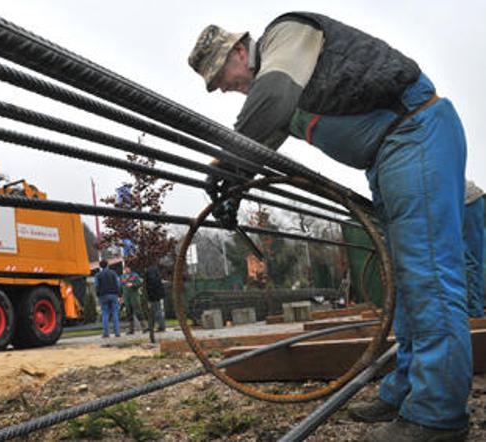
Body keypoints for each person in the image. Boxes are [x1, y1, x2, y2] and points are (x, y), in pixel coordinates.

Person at [188, 12, 470, 441]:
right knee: (408, 283)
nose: (221, 87)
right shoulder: (280, 90)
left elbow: (271, 100)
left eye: (219, 75)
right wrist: (233, 190)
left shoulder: (286, 37)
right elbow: (257, 146)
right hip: (391, 155)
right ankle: (408, 388)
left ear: (240, 51)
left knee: (427, 276)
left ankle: (437, 416)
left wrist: (227, 163)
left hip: (414, 133)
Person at [464, 180, 485, 318]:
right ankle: (477, 309)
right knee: (474, 260)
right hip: (473, 200)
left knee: (468, 259)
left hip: (467, 201)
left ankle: (474, 313)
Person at [94, 259, 121, 338]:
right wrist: (118, 293)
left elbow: (96, 286)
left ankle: (106, 333)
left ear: (100, 266)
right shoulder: (113, 273)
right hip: (113, 294)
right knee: (115, 313)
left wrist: (98, 295)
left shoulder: (98, 275)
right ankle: (117, 333)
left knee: (105, 314)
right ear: (108, 265)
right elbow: (118, 284)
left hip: (103, 295)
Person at [120, 266, 146, 334]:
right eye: (125, 269)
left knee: (138, 311)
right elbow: (121, 287)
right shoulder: (122, 277)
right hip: (126, 297)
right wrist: (120, 296)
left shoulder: (135, 275)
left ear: (130, 269)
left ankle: (144, 327)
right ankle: (131, 329)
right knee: (129, 312)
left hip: (134, 296)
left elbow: (140, 283)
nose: (126, 270)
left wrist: (133, 284)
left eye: (127, 268)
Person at [145, 265, 167, 332]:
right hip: (157, 296)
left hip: (153, 296)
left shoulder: (150, 278)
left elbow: (149, 287)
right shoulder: (157, 276)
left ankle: (160, 326)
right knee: (156, 311)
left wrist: (149, 297)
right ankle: (155, 326)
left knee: (156, 311)